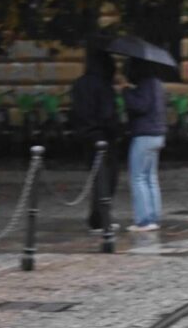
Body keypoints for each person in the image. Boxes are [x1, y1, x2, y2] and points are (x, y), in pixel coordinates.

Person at [69, 48, 119, 232]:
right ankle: (101, 219)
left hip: (85, 135)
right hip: (103, 137)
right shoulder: (103, 85)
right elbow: (108, 115)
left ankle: (96, 219)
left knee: (96, 177)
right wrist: (116, 128)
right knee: (107, 179)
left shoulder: (79, 84)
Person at [118, 58, 166, 232]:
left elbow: (139, 106)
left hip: (144, 135)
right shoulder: (157, 84)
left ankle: (143, 220)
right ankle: (153, 217)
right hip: (157, 134)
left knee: (138, 178)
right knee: (150, 178)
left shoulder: (146, 85)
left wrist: (125, 91)